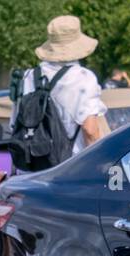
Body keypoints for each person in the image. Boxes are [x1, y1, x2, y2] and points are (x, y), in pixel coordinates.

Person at [20, 14, 107, 158]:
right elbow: (90, 130)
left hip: (32, 162)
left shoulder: (28, 76)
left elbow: (15, 121)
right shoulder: (84, 77)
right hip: (70, 166)